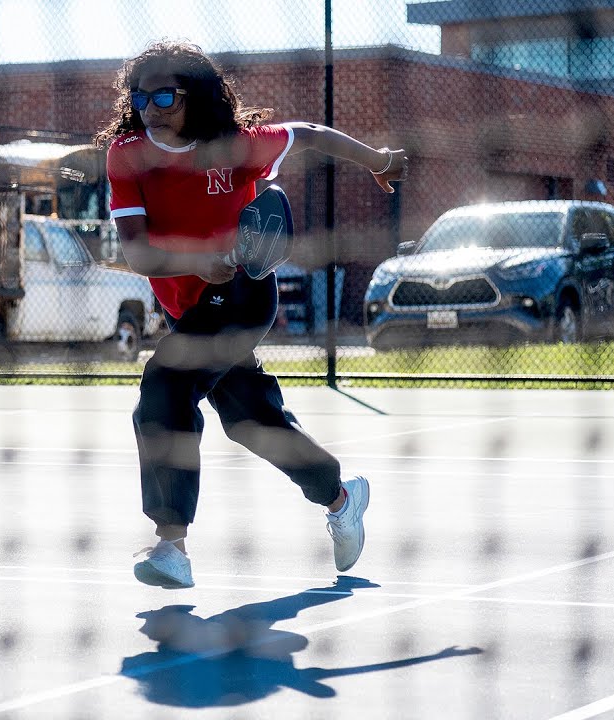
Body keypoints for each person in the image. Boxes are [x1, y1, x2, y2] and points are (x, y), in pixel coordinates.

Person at [95, 40, 409, 589]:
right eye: (140, 97)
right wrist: (198, 262)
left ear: (197, 96)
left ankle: (171, 546)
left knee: (165, 385)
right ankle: (341, 497)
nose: (150, 109)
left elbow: (309, 134)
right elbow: (138, 253)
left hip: (244, 293)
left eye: (165, 97)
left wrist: (378, 161)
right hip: (189, 308)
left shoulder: (236, 146)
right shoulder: (127, 154)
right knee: (250, 422)